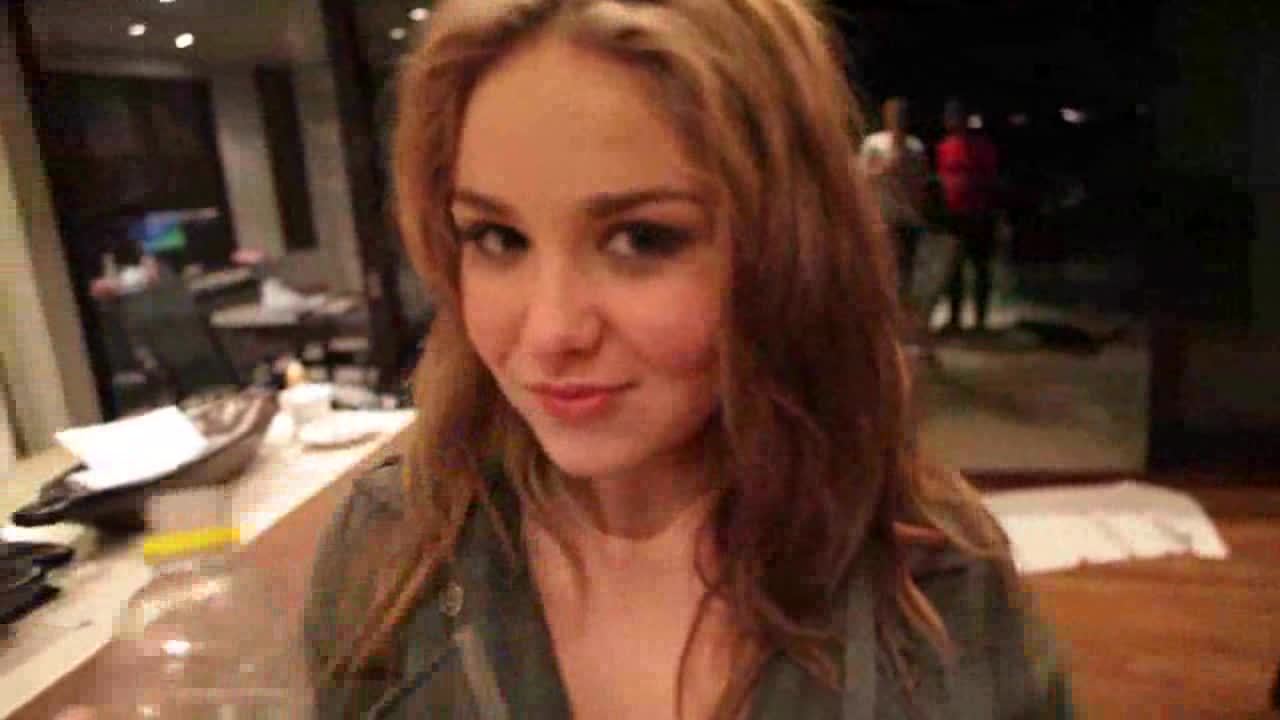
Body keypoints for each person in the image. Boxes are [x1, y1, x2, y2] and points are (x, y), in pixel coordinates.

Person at [304, 2, 1072, 719]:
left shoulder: (933, 576)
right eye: (497, 238)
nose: (549, 332)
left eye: (641, 239)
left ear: (788, 249)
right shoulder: (395, 548)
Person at [936, 99, 1001, 333]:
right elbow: (942, 180)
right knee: (955, 269)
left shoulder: (983, 146)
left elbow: (992, 178)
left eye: (954, 115)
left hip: (979, 213)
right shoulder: (945, 147)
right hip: (954, 215)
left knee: (980, 267)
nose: (950, 120)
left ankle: (980, 321)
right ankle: (955, 319)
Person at [860, 97, 930, 297]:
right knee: (882, 265)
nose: (898, 118)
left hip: (907, 215)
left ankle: (902, 305)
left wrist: (920, 209)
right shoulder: (874, 143)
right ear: (886, 115)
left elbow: (921, 181)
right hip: (882, 214)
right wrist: (885, 168)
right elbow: (862, 176)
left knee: (906, 266)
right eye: (894, 114)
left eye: (902, 115)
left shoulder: (915, 147)